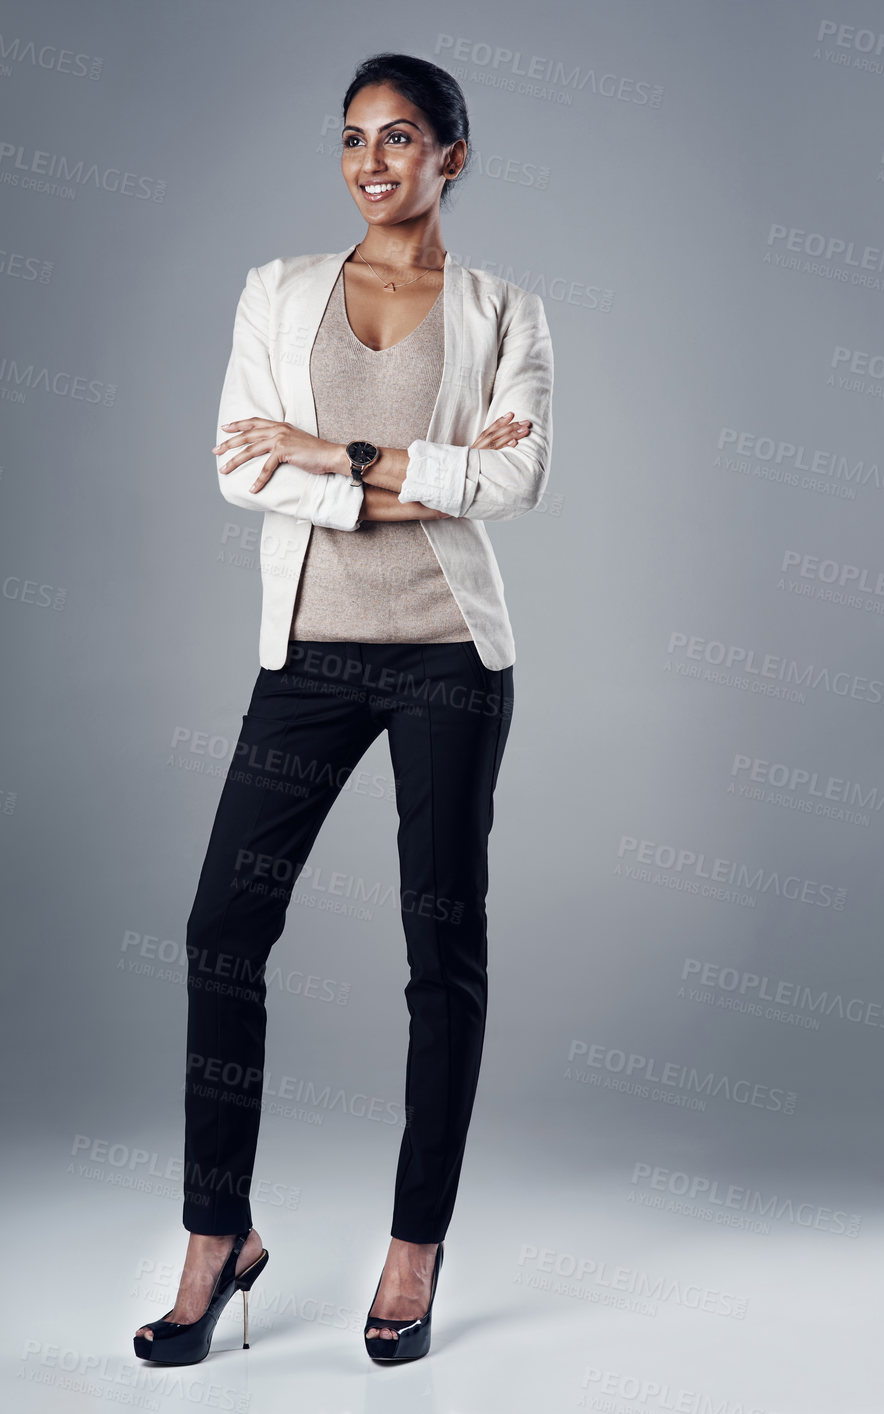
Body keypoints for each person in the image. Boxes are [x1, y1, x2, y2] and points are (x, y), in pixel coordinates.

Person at [133, 50, 553, 1366]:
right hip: (307, 654)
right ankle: (217, 1233)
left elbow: (517, 480)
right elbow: (239, 459)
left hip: (447, 661)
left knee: (441, 958)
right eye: (354, 139)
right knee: (221, 929)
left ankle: (413, 1245)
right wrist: (406, 475)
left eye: (402, 137)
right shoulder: (275, 292)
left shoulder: (504, 312)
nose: (373, 162)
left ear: (451, 156)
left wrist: (341, 452)